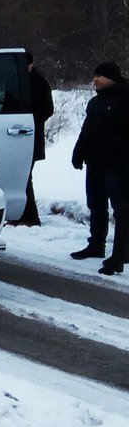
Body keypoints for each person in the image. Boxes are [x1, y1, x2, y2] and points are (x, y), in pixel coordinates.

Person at [71, 62, 129, 274]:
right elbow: (87, 130)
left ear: (112, 78)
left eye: (99, 76)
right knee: (96, 206)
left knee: (121, 210)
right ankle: (96, 245)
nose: (94, 79)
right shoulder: (95, 103)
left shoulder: (125, 99)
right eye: (94, 75)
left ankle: (120, 255)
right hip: (94, 163)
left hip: (118, 166)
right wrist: (78, 152)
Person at [14, 51, 54, 226]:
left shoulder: (38, 83)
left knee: (24, 176)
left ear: (30, 65)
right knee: (20, 176)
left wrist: (30, 121)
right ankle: (23, 214)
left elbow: (47, 110)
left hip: (30, 136)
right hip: (21, 136)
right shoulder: (20, 82)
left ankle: (31, 216)